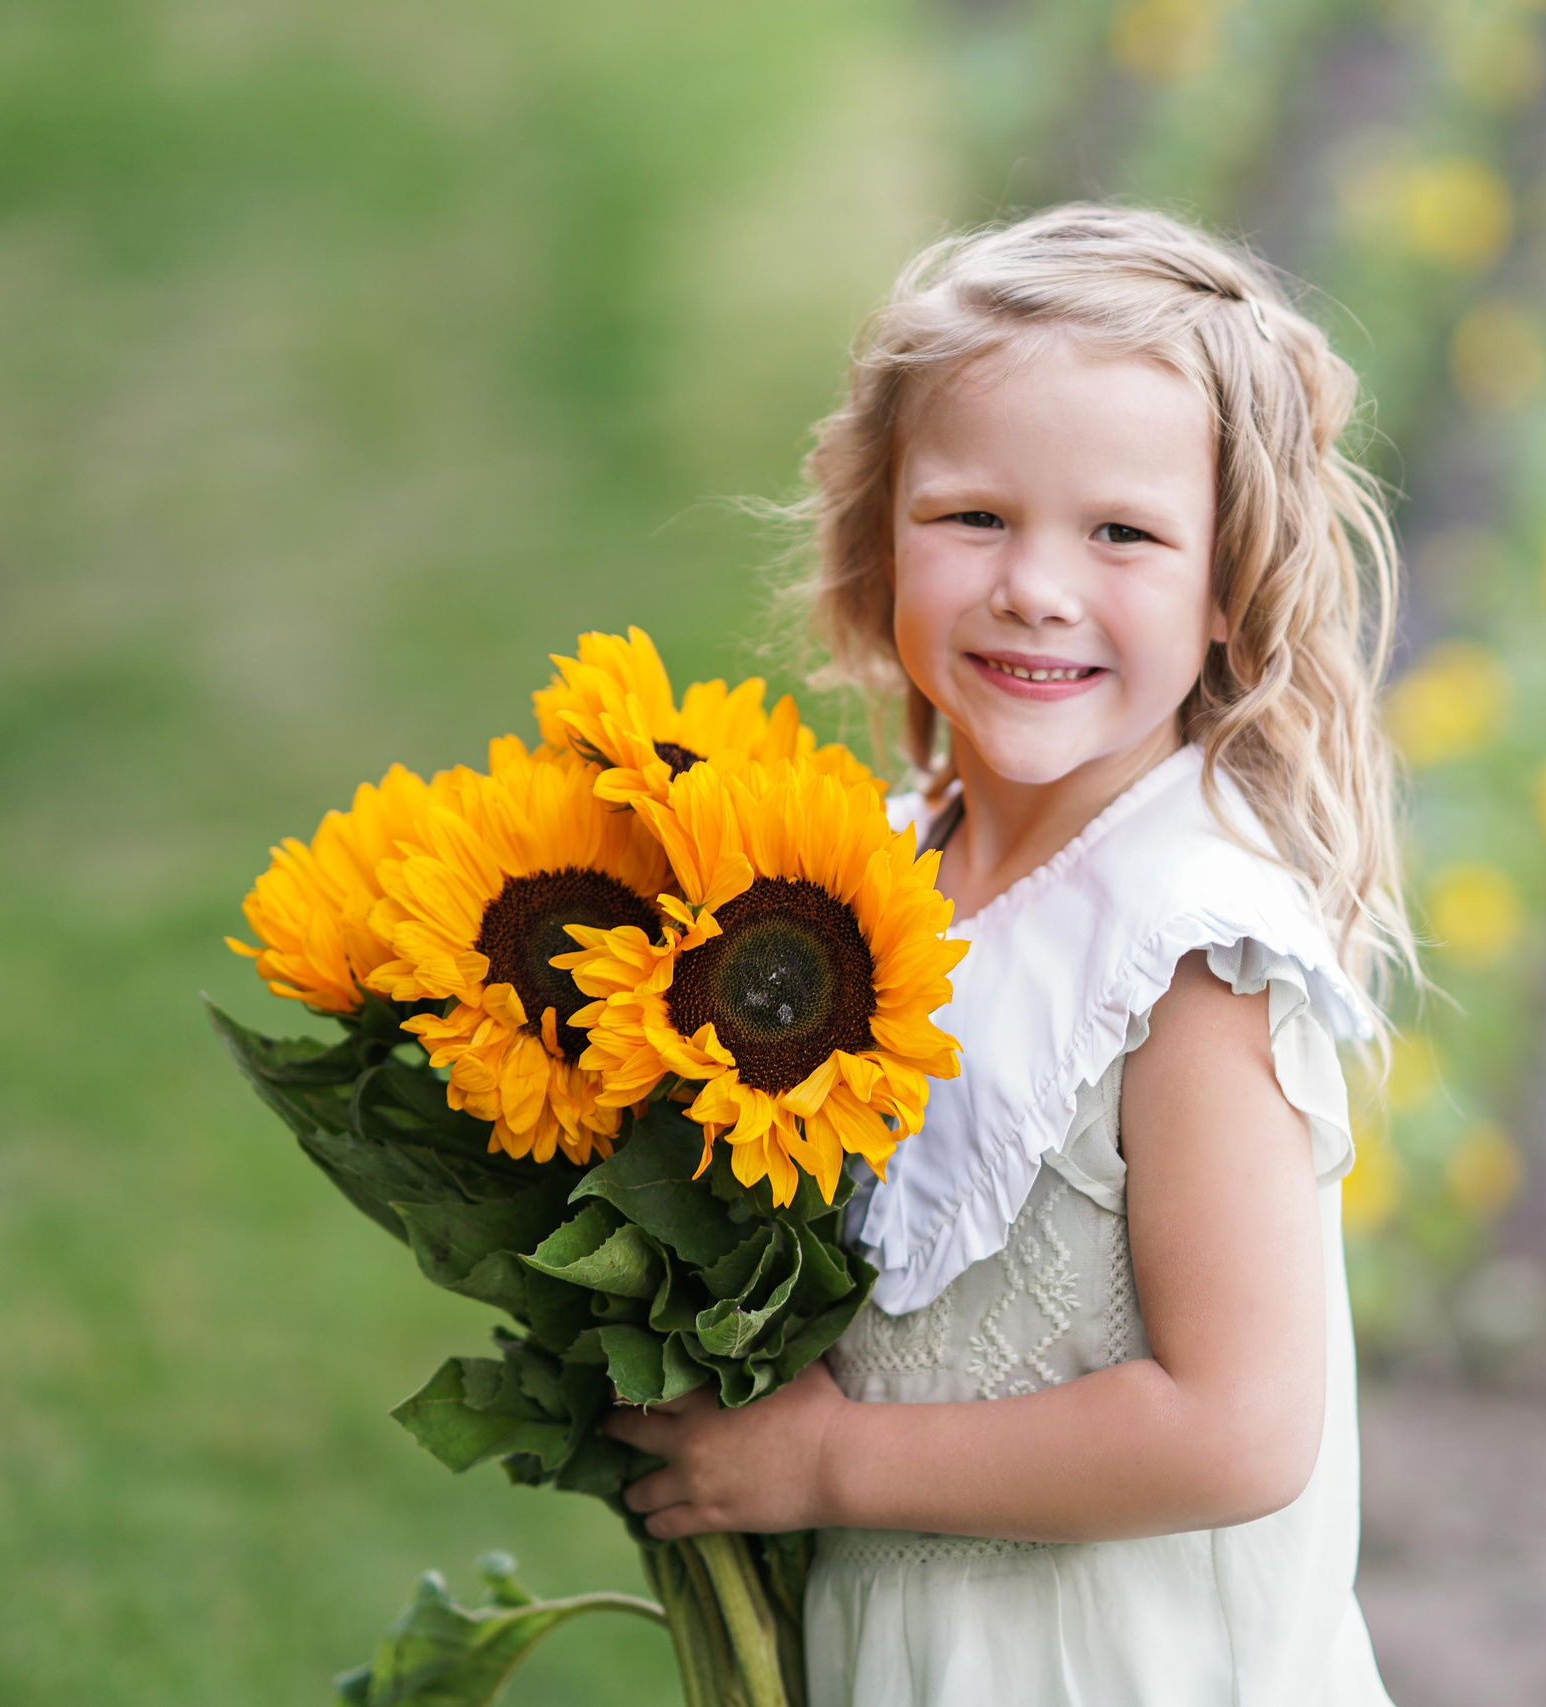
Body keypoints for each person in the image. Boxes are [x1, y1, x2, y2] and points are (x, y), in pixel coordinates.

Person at [601, 202, 1413, 1706]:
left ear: (1225, 585)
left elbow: (1238, 1427)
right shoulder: (884, 879)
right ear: (879, 533)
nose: (1037, 584)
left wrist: (829, 1458)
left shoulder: (1184, 956)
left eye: (1122, 533)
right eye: (975, 517)